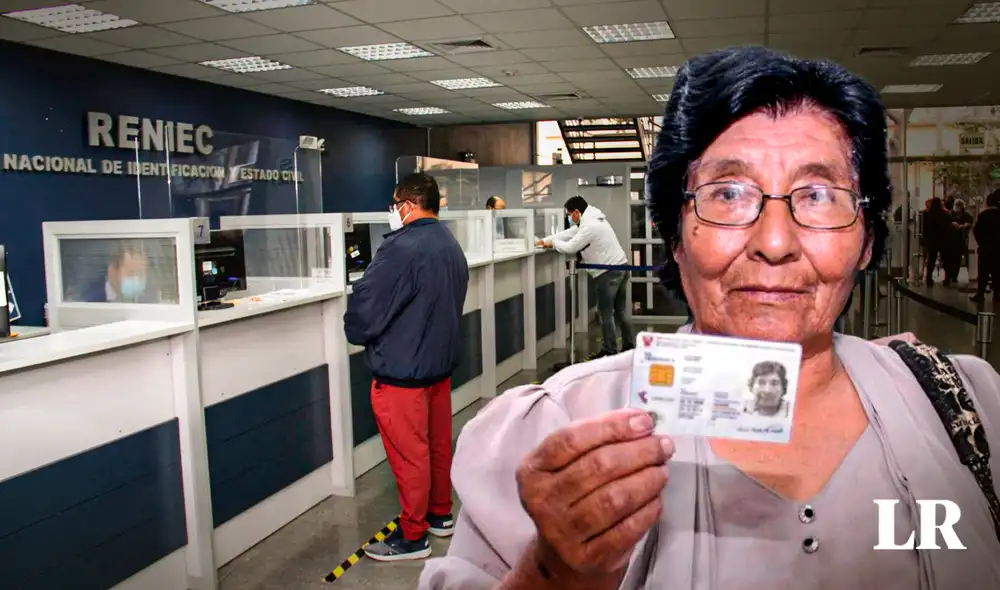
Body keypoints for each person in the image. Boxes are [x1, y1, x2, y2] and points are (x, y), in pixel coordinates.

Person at [419, 46, 1000, 589]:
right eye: (728, 194)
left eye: (820, 197)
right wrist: (551, 572)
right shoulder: (557, 431)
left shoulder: (965, 412)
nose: (775, 242)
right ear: (675, 236)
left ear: (868, 240)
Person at [343, 172, 469, 562]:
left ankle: (413, 536)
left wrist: (356, 328)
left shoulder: (400, 248)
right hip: (438, 367)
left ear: (407, 205)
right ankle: (440, 514)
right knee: (436, 446)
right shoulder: (448, 242)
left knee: (410, 454)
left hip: (402, 372)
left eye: (395, 204)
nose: (392, 212)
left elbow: (366, 310)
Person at [536, 196, 634, 358]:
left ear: (576, 212)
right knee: (621, 310)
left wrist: (553, 244)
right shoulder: (595, 219)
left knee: (606, 313)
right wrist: (543, 241)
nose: (569, 217)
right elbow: (569, 233)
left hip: (607, 272)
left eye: (569, 214)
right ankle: (629, 345)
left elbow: (571, 246)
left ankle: (610, 349)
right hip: (621, 266)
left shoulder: (589, 226)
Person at [80, 242, 149, 303]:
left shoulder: (147, 302)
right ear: (112, 271)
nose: (136, 280)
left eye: (141, 274)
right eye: (131, 273)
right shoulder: (89, 300)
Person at [972, 190, 1000, 302]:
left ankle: (980, 294)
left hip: (985, 249)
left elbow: (976, 231)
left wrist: (981, 243)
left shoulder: (984, 215)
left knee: (983, 273)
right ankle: (997, 295)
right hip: (998, 249)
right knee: (997, 273)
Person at [922, 197, 953, 285]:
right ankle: (947, 279)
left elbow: (924, 228)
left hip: (931, 240)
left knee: (931, 260)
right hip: (944, 240)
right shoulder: (946, 215)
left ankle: (929, 279)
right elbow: (949, 228)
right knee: (945, 260)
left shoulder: (927, 214)